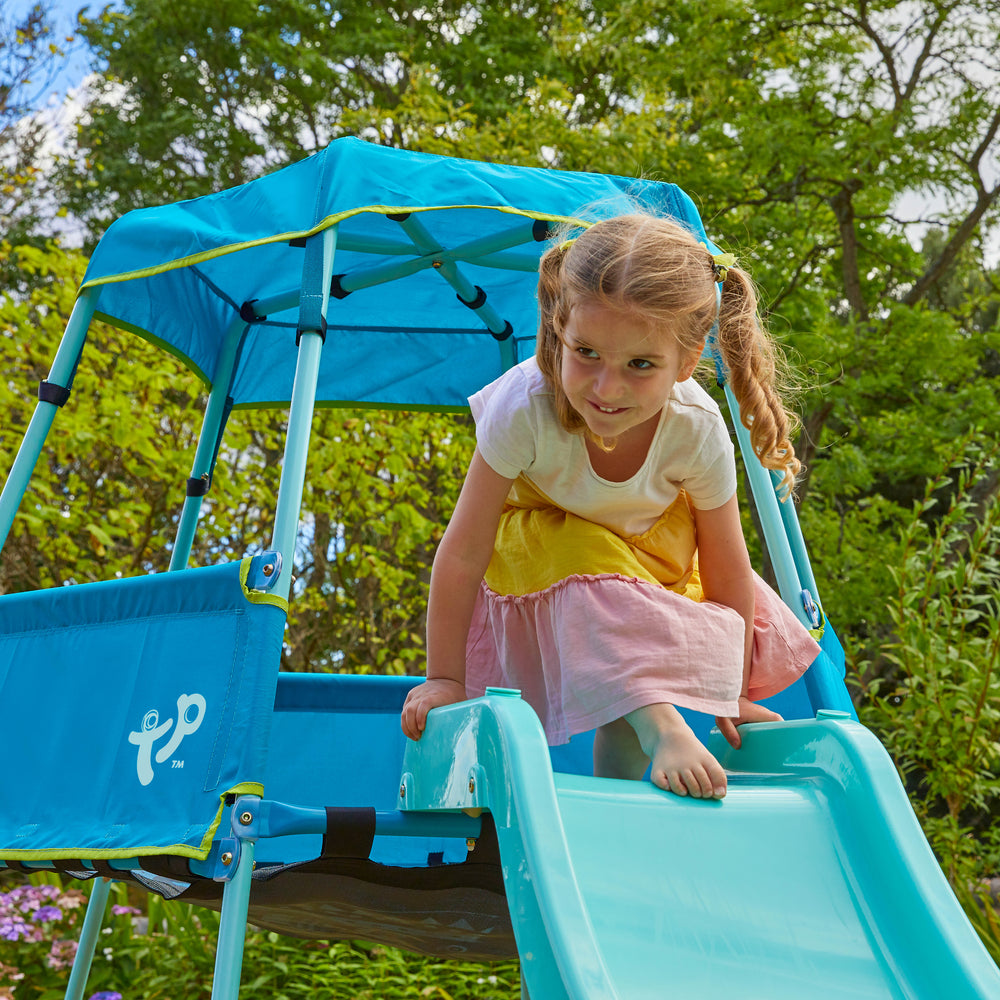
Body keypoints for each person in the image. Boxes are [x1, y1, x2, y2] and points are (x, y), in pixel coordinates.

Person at [400, 213, 819, 800]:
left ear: (689, 357)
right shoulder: (526, 409)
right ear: (558, 329)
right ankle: (663, 726)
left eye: (640, 365)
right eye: (587, 352)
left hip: (652, 560)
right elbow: (465, 550)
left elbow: (726, 564)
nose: (605, 387)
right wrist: (444, 677)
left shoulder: (696, 429)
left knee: (616, 604)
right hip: (545, 554)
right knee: (588, 561)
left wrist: (730, 688)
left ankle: (618, 800)